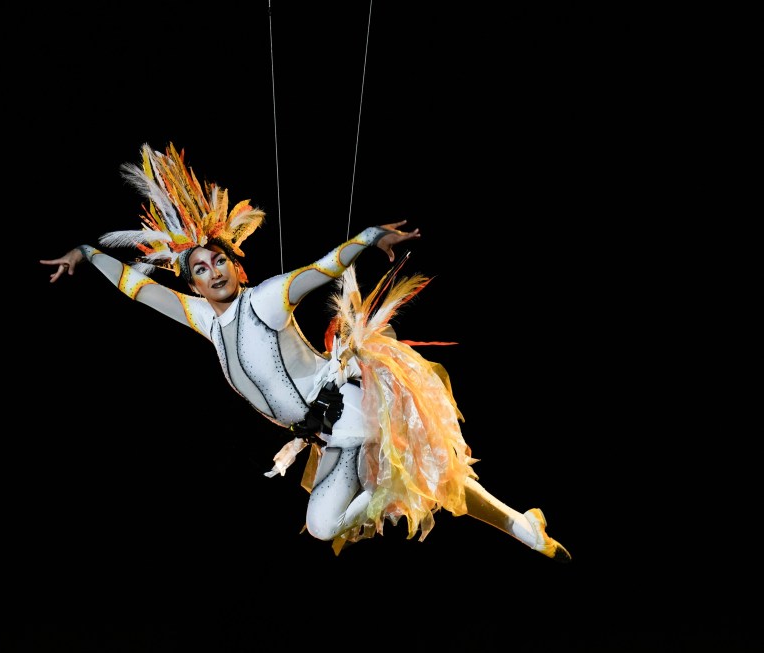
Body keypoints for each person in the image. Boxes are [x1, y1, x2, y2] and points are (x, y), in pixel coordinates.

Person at [40, 143, 570, 561]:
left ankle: (485, 520)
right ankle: (521, 524)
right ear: (194, 284)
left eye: (219, 262)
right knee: (323, 527)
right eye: (199, 270)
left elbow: (321, 269)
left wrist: (366, 237)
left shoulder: (265, 299)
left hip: (350, 402)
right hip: (323, 432)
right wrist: (88, 255)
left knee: (419, 475)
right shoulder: (205, 320)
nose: (212, 273)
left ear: (237, 266)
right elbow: (140, 288)